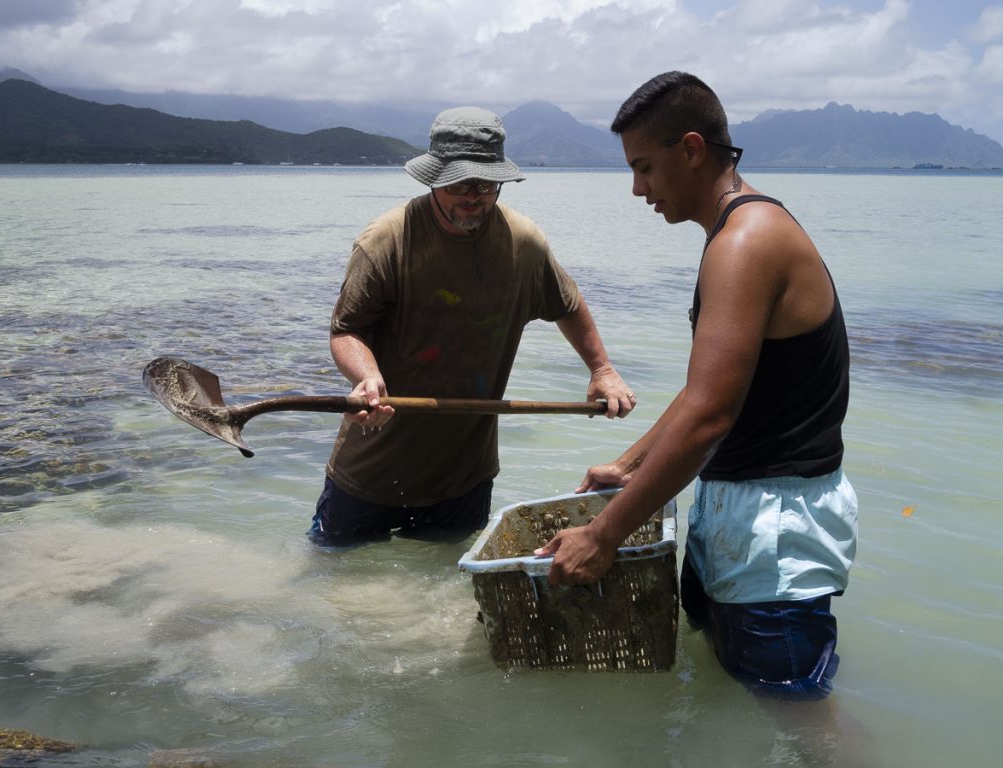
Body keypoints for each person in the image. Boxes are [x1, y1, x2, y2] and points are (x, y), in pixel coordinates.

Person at [536, 72, 858, 701]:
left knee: (801, 724)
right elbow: (705, 390)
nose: (637, 189)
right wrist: (629, 464)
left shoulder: (745, 242)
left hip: (777, 536)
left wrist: (604, 537)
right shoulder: (732, 236)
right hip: (738, 518)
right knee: (737, 703)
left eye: (645, 167)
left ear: (691, 149)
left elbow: (710, 416)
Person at [310, 106, 636, 546]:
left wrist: (602, 370)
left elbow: (568, 304)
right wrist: (366, 377)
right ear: (433, 177)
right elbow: (346, 330)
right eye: (460, 182)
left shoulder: (524, 244)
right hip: (371, 469)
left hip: (464, 476)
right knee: (340, 589)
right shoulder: (388, 240)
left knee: (442, 594)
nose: (473, 194)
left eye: (485, 183)